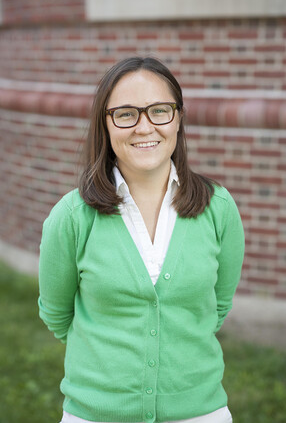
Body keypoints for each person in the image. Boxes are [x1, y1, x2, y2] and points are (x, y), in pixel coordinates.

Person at [38, 57, 245, 423]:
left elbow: (217, 306)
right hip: (95, 415)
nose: (144, 126)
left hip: (200, 413)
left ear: (178, 118)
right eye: (126, 114)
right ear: (106, 124)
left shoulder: (219, 208)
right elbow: (57, 314)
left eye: (159, 111)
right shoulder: (71, 217)